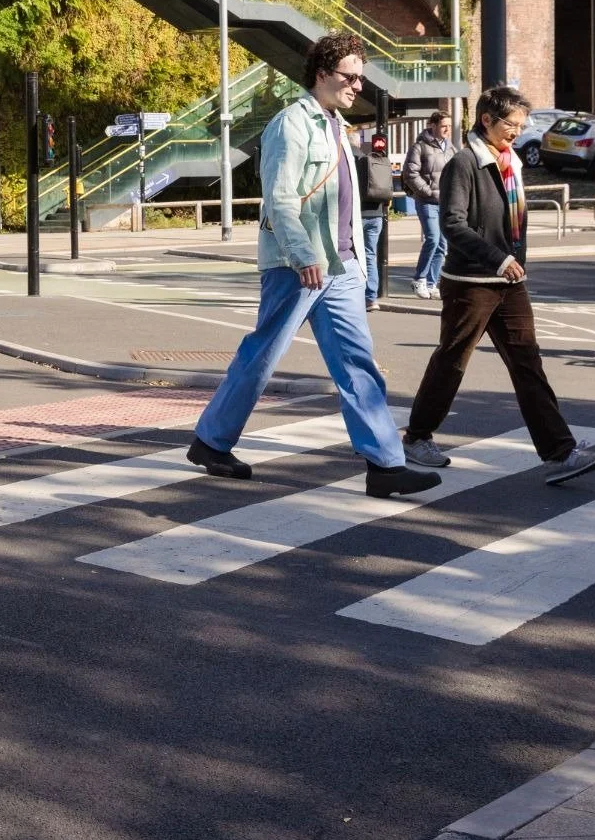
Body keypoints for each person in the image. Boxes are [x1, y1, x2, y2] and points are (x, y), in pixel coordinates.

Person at [186, 32, 439, 501]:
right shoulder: (291, 124)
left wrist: (356, 266)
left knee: (358, 363)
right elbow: (280, 199)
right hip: (296, 265)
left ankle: (385, 464)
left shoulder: (335, 124)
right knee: (263, 356)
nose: (357, 85)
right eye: (349, 76)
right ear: (321, 74)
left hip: (338, 266)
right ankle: (211, 441)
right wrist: (303, 256)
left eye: (361, 77)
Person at [400, 86, 595, 484]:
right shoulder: (464, 162)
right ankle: (418, 436)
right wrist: (499, 257)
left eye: (521, 125)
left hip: (510, 281)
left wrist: (514, 260)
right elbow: (453, 224)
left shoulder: (511, 161)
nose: (517, 131)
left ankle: (559, 453)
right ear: (487, 120)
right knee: (453, 359)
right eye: (511, 124)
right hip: (471, 281)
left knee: (527, 362)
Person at [402, 111, 454, 298]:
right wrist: (428, 191)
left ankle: (432, 283)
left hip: (445, 202)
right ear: (432, 125)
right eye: (443, 126)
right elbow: (410, 174)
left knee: (443, 245)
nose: (447, 129)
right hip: (427, 201)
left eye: (449, 125)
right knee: (432, 238)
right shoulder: (420, 147)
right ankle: (419, 279)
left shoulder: (449, 147)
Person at [354, 130, 396, 310]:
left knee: (352, 257)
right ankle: (371, 297)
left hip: (357, 215)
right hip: (376, 214)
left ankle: (354, 296)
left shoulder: (348, 159)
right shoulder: (370, 159)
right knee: (370, 255)